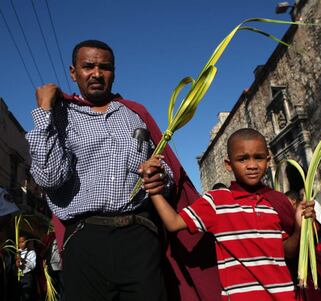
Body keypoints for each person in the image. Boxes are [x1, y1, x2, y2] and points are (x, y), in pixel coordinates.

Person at [26, 40, 220, 301]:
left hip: (139, 237)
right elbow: (49, 177)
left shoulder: (135, 114)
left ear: (114, 72)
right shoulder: (60, 117)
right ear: (74, 73)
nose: (96, 73)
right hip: (85, 240)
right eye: (88, 66)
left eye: (104, 67)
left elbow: (167, 170)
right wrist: (44, 112)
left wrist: (161, 176)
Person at [143, 128, 315, 300]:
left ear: (268, 161)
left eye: (259, 157)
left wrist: (300, 227)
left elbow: (288, 252)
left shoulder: (273, 202)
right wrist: (153, 190)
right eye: (242, 159)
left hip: (284, 296)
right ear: (228, 164)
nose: (252, 165)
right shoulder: (217, 202)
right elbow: (173, 223)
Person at [16, 235, 37, 301]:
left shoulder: (31, 253)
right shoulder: (17, 253)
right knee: (18, 295)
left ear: (26, 242)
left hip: (27, 277)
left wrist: (23, 260)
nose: (21, 244)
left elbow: (33, 266)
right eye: (19, 242)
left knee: (26, 296)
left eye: (23, 242)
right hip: (18, 277)